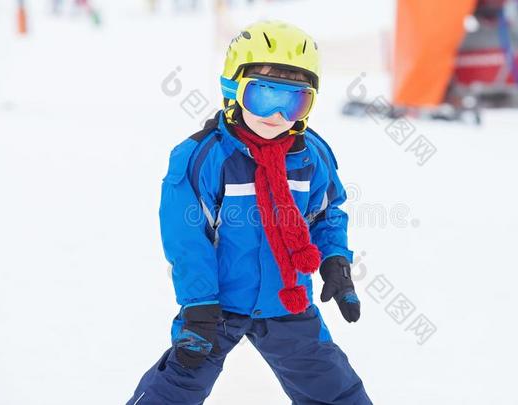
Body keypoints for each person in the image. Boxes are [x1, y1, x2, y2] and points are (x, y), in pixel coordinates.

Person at [127, 20, 373, 405]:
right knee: (177, 387)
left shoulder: (312, 156)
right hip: (217, 306)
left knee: (334, 390)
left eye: (293, 101)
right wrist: (198, 306)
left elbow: (327, 213)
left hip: (287, 300)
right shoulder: (204, 157)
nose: (275, 114)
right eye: (263, 95)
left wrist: (335, 263)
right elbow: (187, 240)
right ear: (233, 89)